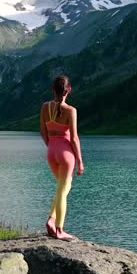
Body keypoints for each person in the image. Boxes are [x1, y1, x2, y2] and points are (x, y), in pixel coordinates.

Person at [40, 75, 84, 241]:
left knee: (61, 188)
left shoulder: (45, 107)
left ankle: (51, 221)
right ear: (69, 90)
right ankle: (59, 230)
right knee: (63, 190)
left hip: (51, 151)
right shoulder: (71, 110)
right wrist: (79, 160)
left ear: (53, 90)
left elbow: (43, 132)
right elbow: (74, 138)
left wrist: (52, 147)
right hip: (66, 154)